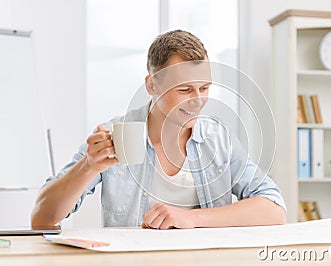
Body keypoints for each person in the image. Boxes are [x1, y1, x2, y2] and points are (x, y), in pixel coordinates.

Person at [31, 30, 286, 229]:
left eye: (204, 88)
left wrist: (191, 218)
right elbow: (42, 218)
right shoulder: (114, 135)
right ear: (152, 85)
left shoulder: (218, 139)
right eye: (184, 90)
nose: (197, 100)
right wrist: (88, 167)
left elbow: (274, 208)